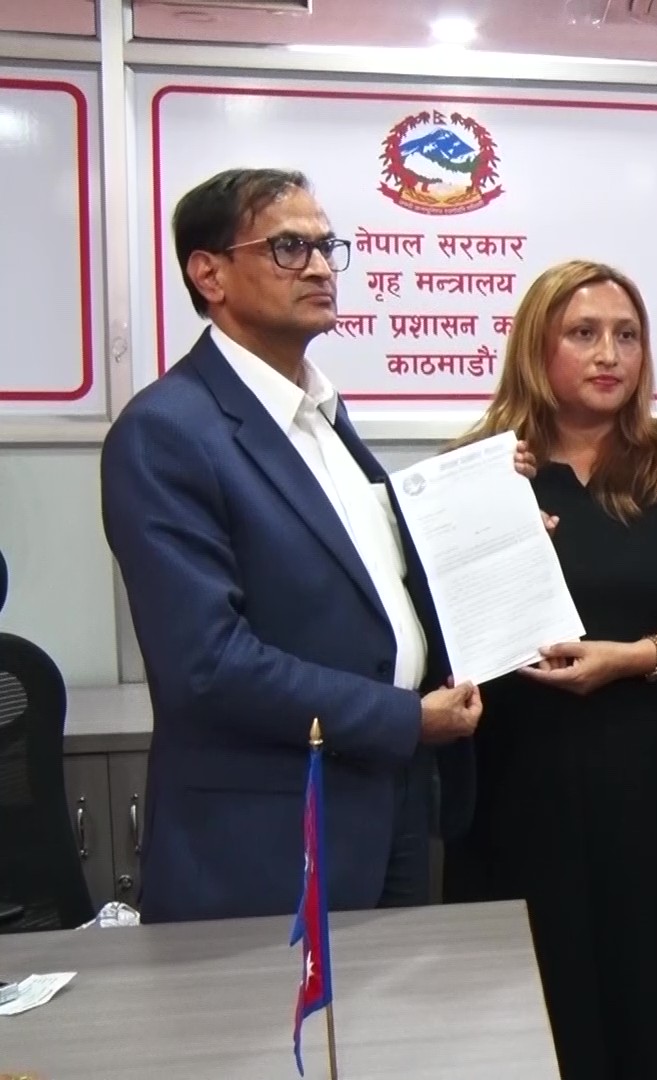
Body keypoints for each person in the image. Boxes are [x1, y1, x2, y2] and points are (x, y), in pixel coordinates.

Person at [100, 168, 481, 924]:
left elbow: (370, 588)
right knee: (282, 1012)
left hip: (387, 804)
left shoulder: (322, 414)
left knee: (389, 1007)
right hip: (268, 835)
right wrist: (406, 720)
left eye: (325, 246)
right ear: (208, 274)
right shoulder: (167, 431)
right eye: (287, 247)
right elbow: (208, 665)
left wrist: (486, 539)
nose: (317, 267)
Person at [441, 259, 657, 1080]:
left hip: (655, 773)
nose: (609, 354)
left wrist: (632, 660)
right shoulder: (479, 470)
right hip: (523, 773)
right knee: (540, 987)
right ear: (535, 347)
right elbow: (439, 634)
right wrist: (496, 537)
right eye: (583, 334)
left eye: (627, 336)